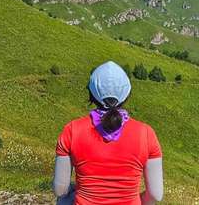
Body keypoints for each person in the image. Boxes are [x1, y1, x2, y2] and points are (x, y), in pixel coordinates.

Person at [53, 61, 164, 205]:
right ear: (127, 94)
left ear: (91, 94)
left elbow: (60, 190)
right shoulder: (146, 133)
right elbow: (155, 195)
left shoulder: (72, 130)